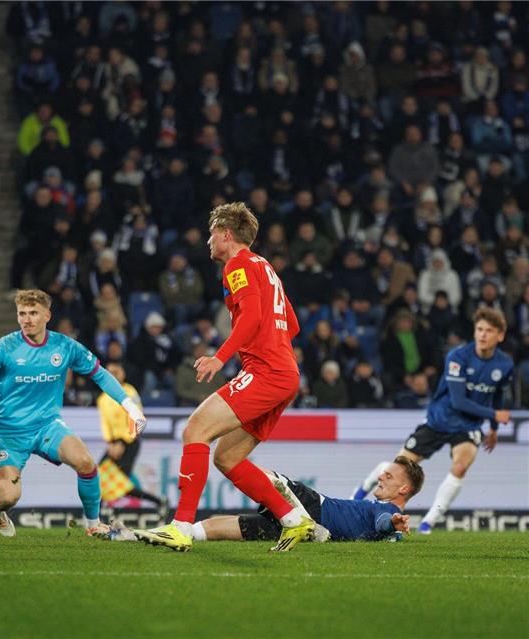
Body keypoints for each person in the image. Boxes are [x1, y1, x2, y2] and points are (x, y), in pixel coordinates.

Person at [135, 202, 312, 553]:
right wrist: (271, 348)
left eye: (212, 233)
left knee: (194, 430)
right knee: (227, 458)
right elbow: (291, 323)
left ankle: (180, 527)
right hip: (285, 373)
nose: (208, 241)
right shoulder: (266, 267)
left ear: (227, 235)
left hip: (266, 372)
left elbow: (251, 316)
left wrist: (220, 357)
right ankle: (293, 519)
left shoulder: (238, 264)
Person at [0, 289, 147, 539]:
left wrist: (131, 407)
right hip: (9, 433)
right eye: (22, 314)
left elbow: (100, 374)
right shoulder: (4, 348)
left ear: (47, 315)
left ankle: (93, 524)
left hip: (47, 426)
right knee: (9, 497)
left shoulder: (64, 346)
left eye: (33, 313)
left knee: (86, 462)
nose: (26, 319)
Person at [351, 308, 513, 534]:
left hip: (468, 427)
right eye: (479, 329)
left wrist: (493, 429)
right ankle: (355, 498)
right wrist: (495, 416)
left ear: (501, 335)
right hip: (438, 420)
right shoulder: (458, 357)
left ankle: (427, 523)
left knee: (460, 466)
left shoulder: (504, 364)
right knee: (396, 468)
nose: (482, 335)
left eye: (489, 330)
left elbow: (497, 395)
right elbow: (458, 401)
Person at [187, 457, 423, 544]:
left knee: (250, 470)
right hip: (307, 526)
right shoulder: (386, 516)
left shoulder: (387, 510)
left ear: (403, 489)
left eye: (388, 476)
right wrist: (394, 530)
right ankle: (186, 532)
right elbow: (385, 530)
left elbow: (383, 522)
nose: (380, 476)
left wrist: (393, 523)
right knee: (238, 527)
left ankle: (183, 530)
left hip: (310, 507)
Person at [96, 362, 167, 513]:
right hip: (113, 444)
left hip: (130, 442)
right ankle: (158, 502)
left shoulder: (129, 392)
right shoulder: (102, 398)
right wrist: (110, 443)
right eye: (110, 372)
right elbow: (105, 424)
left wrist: (122, 442)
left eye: (117, 371)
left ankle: (98, 514)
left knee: (120, 482)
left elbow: (136, 416)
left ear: (123, 373)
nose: (114, 375)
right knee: (98, 477)